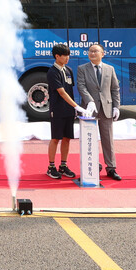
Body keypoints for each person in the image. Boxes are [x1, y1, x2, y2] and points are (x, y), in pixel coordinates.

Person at [76, 43, 122, 181]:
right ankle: (93, 166)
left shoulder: (110, 69)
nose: (92, 53)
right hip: (89, 110)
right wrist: (89, 101)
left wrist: (116, 107)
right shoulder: (82, 69)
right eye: (90, 51)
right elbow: (81, 86)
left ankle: (111, 168)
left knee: (108, 140)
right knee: (89, 140)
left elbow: (115, 89)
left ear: (103, 53)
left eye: (96, 51)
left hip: (106, 109)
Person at [45, 44, 84, 179]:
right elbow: (61, 92)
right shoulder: (52, 72)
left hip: (68, 110)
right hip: (57, 110)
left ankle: (63, 165)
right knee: (56, 138)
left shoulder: (68, 70)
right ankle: (51, 167)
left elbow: (69, 91)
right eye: (65, 55)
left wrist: (73, 109)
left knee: (67, 138)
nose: (68, 58)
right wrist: (77, 106)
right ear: (57, 56)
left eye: (68, 55)